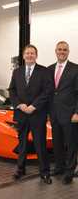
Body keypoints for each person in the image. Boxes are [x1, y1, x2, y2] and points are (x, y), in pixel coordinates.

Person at [9, 44, 52, 184]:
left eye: (32, 53)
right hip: (21, 114)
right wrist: (19, 105)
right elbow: (12, 90)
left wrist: (34, 106)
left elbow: (47, 92)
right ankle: (20, 170)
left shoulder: (44, 71)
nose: (29, 55)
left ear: (36, 55)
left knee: (40, 144)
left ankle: (44, 172)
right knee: (22, 144)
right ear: (23, 56)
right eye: (27, 53)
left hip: (37, 114)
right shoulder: (17, 72)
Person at [48, 41, 78, 184]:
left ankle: (70, 171)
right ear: (55, 51)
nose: (62, 52)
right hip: (54, 114)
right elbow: (48, 92)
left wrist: (77, 112)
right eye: (59, 49)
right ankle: (59, 167)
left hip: (70, 114)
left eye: (65, 50)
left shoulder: (75, 69)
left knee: (71, 143)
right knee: (57, 142)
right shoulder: (49, 69)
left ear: (68, 52)